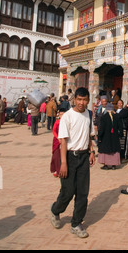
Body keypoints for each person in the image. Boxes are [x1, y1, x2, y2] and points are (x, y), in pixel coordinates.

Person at [50, 87, 96, 238]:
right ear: (74, 99)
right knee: (67, 192)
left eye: (85, 100)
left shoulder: (89, 114)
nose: (82, 103)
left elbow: (89, 135)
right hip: (69, 157)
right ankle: (56, 211)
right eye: (79, 99)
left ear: (88, 100)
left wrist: (91, 152)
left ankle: (76, 223)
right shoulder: (67, 117)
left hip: (83, 157)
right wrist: (63, 163)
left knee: (83, 192)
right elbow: (63, 141)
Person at [97, 104, 121, 170]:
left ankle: (106, 165)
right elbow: (120, 127)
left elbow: (101, 129)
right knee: (114, 150)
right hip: (115, 136)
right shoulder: (116, 116)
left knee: (106, 150)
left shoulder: (104, 117)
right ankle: (114, 165)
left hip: (105, 137)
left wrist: (99, 136)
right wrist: (120, 134)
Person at [50, 107, 66, 177]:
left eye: (63, 114)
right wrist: (58, 138)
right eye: (60, 114)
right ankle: (57, 170)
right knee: (56, 157)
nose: (61, 116)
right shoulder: (57, 122)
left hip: (65, 141)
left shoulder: (67, 123)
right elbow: (54, 131)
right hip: (57, 141)